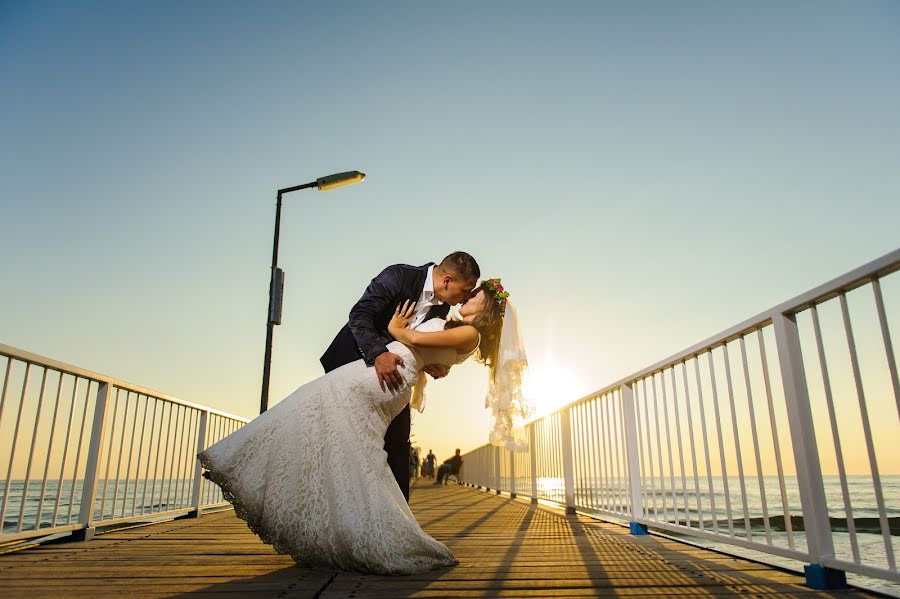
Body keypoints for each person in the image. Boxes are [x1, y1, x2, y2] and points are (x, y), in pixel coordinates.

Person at [198, 278, 511, 575]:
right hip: (385, 379)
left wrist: (394, 328)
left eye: (476, 294)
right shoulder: (457, 329)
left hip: (377, 379)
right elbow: (424, 350)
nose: (468, 296)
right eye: (468, 290)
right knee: (346, 451)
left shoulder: (471, 334)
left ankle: (238, 464)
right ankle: (336, 525)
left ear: (488, 309)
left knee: (306, 410)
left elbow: (413, 338)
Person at [320, 252, 480, 502]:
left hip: (394, 381)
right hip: (351, 365)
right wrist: (379, 353)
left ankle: (397, 520)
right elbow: (360, 315)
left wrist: (430, 365)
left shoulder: (443, 306)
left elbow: (414, 345)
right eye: (465, 290)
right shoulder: (398, 276)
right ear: (447, 280)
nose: (464, 299)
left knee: (398, 446)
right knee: (344, 445)